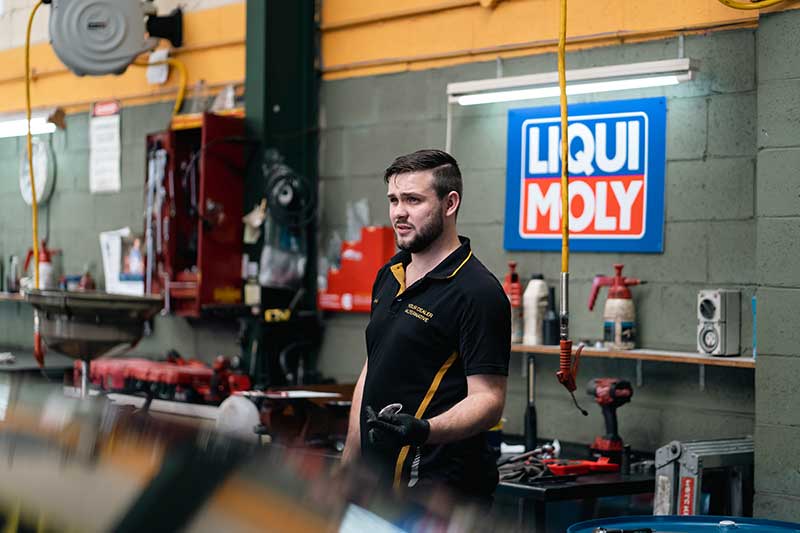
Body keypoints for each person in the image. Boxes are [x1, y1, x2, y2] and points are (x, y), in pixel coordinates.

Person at [341, 149, 511, 505]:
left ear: (450, 204)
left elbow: (489, 399)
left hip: (440, 493)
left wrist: (425, 430)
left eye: (413, 200)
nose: (399, 212)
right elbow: (373, 366)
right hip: (378, 487)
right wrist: (349, 462)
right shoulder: (390, 275)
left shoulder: (477, 292)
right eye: (394, 200)